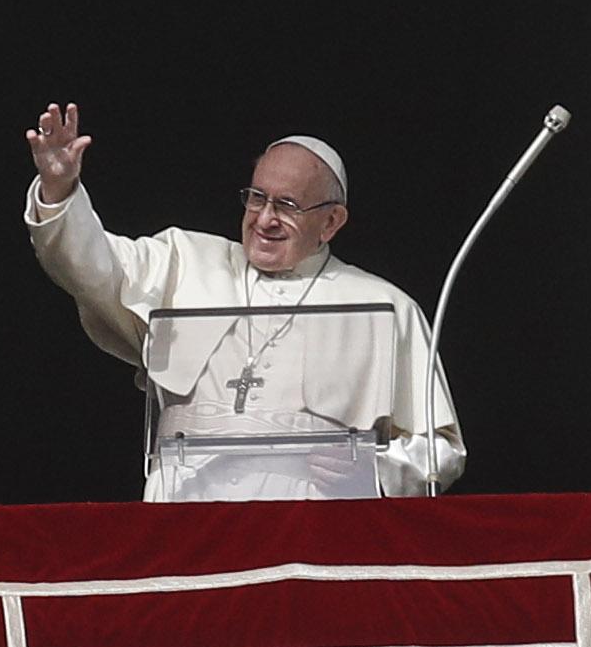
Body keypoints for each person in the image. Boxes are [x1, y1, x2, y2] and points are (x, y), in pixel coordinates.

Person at [23, 101, 465, 502]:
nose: (265, 219)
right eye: (257, 198)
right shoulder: (182, 261)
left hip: (312, 527)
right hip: (186, 513)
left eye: (287, 205)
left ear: (331, 221)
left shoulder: (385, 307)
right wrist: (60, 190)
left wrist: (374, 468)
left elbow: (441, 451)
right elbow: (91, 267)